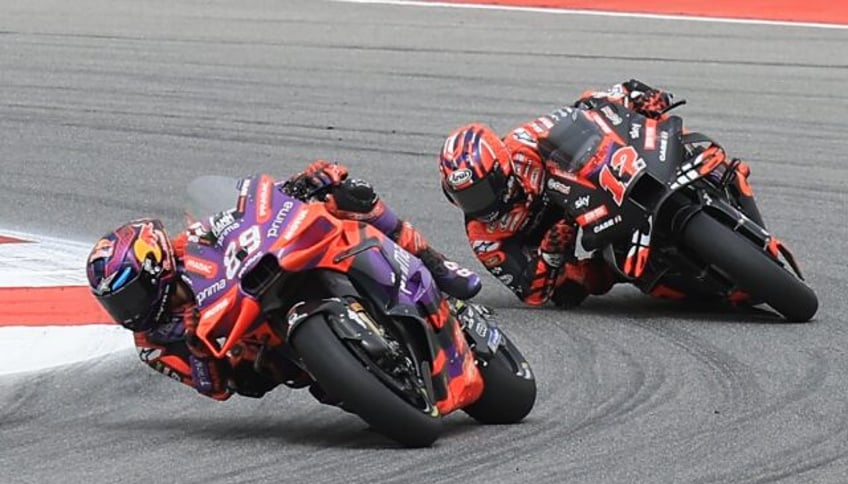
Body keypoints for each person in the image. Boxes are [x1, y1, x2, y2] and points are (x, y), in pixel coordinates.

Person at [85, 163, 483, 413]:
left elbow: (244, 214)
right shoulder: (151, 344)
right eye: (116, 304)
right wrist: (196, 346)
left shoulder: (187, 246)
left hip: (269, 276)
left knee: (348, 196)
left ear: (158, 267)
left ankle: (436, 267)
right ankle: (369, 375)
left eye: (130, 295)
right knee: (327, 392)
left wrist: (300, 185)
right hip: (265, 357)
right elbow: (216, 389)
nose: (129, 312)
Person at [438, 79, 765, 309]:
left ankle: (726, 188)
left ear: (502, 169)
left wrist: (631, 95)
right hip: (572, 235)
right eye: (465, 197)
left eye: (481, 192)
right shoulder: (485, 237)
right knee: (578, 286)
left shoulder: (522, 142)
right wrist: (551, 255)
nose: (477, 205)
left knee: (705, 153)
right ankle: (681, 283)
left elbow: (580, 111)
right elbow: (531, 292)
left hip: (591, 188)